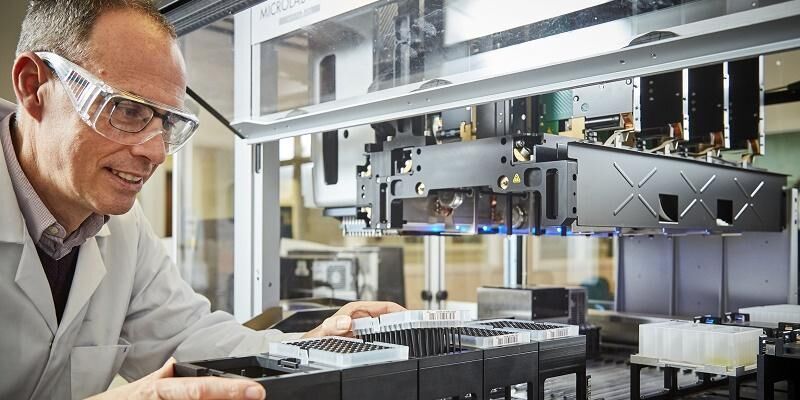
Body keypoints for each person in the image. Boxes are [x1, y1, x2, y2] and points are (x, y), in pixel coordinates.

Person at [0, 1, 403, 399]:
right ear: (34, 87)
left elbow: (192, 340)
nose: (156, 153)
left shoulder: (120, 226)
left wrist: (317, 345)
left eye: (167, 122)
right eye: (125, 110)